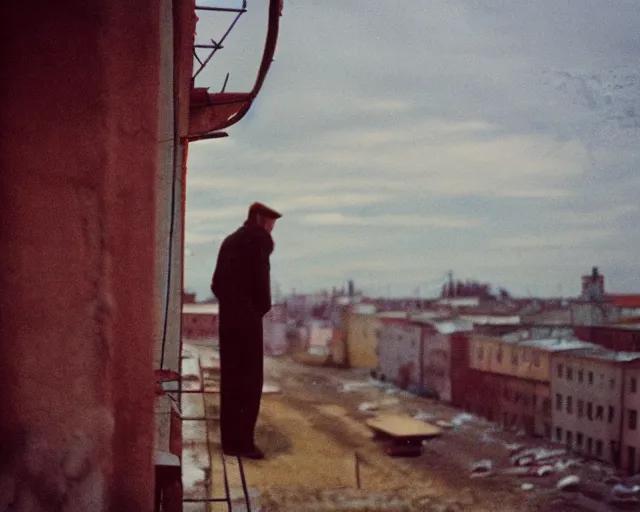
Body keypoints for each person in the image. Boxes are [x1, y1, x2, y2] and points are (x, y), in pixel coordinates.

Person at [211, 202, 281, 459]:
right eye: (271, 223)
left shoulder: (229, 241)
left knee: (230, 382)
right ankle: (244, 444)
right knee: (249, 384)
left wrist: (231, 307)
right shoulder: (257, 242)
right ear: (262, 221)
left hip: (228, 322)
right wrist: (255, 311)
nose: (273, 228)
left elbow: (216, 284)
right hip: (248, 324)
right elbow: (262, 289)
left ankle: (229, 442)